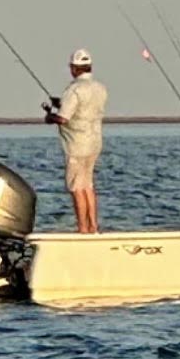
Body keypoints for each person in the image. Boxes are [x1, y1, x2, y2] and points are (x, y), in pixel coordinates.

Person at [44, 49, 108, 234]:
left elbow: (63, 119)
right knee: (88, 186)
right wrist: (61, 103)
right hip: (95, 143)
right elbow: (84, 110)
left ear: (74, 68)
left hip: (77, 145)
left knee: (76, 188)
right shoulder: (100, 88)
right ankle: (93, 227)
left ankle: (82, 228)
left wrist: (50, 117)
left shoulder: (74, 89)